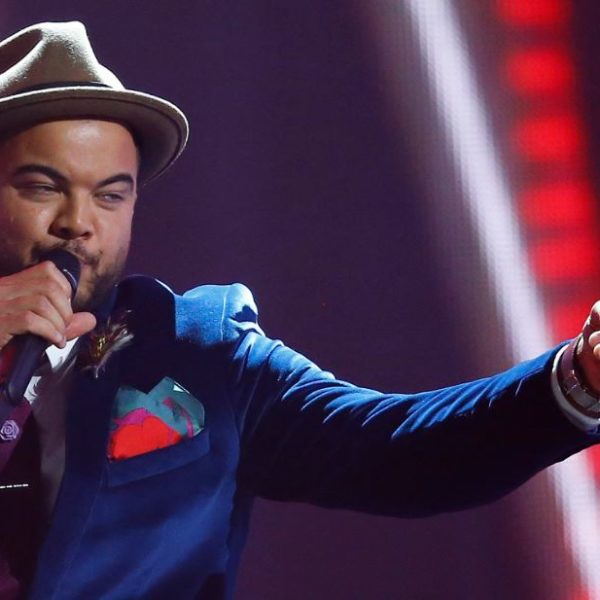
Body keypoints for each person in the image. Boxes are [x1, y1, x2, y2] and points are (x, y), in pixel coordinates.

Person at [0, 20, 599, 600]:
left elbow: (399, 451)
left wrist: (577, 380)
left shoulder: (197, 353)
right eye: (43, 187)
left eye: (110, 195)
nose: (77, 223)